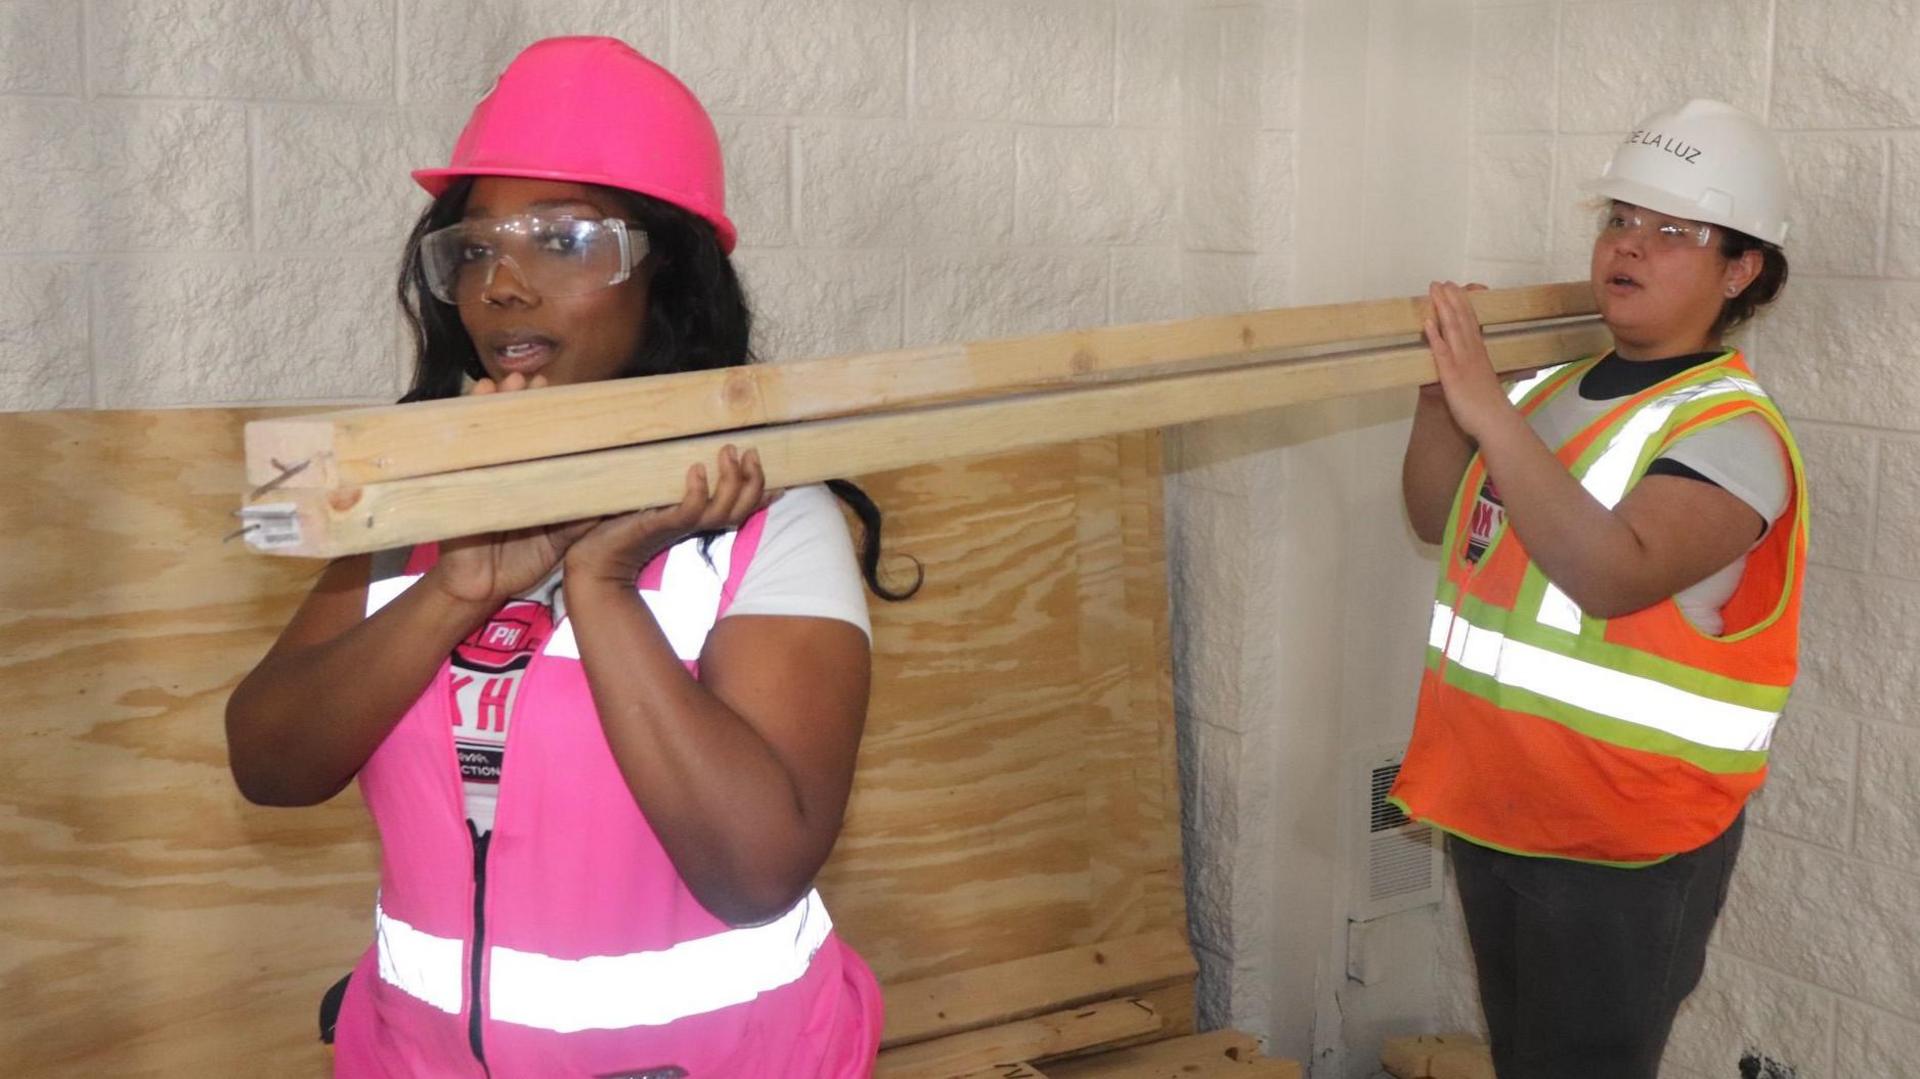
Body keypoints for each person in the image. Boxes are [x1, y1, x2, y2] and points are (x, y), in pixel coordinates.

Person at [225, 36, 913, 1078]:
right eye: (475, 246)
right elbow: (270, 764)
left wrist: (599, 581)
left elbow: (755, 868)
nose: (502, 283)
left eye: (562, 240)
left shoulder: (772, 524)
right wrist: (457, 582)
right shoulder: (414, 510)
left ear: (667, 272)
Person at [1390, 99, 1806, 1078]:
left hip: (1624, 839)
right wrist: (1442, 400)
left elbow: (1611, 574)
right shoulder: (1546, 393)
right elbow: (1432, 512)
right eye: (1620, 218)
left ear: (1740, 268)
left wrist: (1487, 410)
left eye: (1675, 232)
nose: (1630, 245)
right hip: (1500, 801)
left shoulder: (1731, 432)